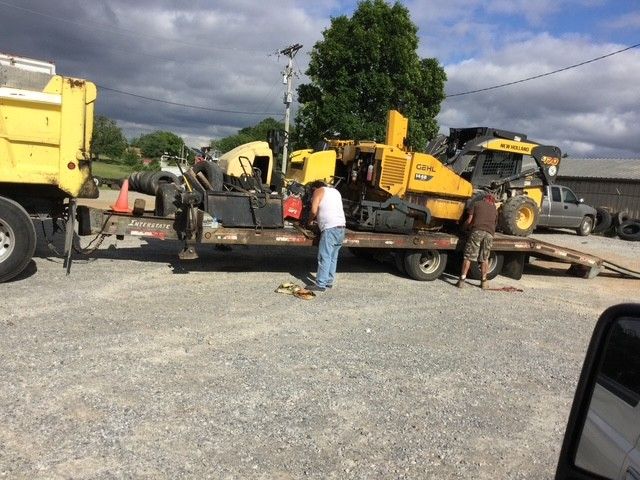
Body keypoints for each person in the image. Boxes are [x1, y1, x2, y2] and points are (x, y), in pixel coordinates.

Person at [305, 181, 346, 292]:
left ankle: (320, 284)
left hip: (330, 228)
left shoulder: (318, 191)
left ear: (314, 188)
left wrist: (309, 221)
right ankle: (328, 282)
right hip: (341, 226)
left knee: (324, 256)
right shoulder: (336, 191)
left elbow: (314, 211)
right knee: (333, 256)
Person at [457, 193, 498, 289]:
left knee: (468, 256)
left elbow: (469, 220)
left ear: (483, 199)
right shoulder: (494, 209)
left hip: (477, 231)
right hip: (489, 234)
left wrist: (463, 228)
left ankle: (462, 280)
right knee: (484, 258)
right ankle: (484, 282)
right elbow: (495, 224)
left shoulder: (476, 204)